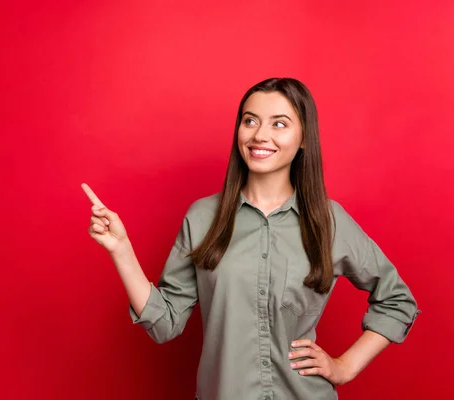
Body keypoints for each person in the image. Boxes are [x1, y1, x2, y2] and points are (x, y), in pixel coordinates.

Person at [81, 77, 420, 400]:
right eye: (250, 121)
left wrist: (344, 367)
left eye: (279, 123)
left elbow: (397, 300)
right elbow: (165, 324)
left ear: (304, 138)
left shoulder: (329, 221)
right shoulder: (202, 217)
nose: (260, 135)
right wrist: (121, 249)